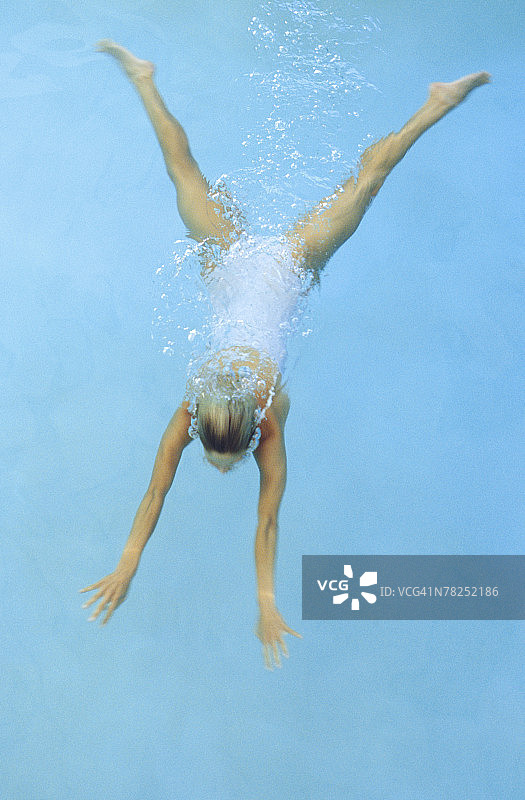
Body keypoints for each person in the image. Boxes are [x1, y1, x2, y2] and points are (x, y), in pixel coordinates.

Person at [80, 40, 490, 669]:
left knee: (347, 181)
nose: (225, 467)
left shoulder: (266, 419)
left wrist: (265, 600)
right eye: (227, 458)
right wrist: (130, 563)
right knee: (198, 175)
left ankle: (434, 107)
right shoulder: (201, 410)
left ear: (254, 430)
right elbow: (161, 496)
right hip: (257, 262)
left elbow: (218, 510)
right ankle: (144, 81)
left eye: (229, 458)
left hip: (276, 263)